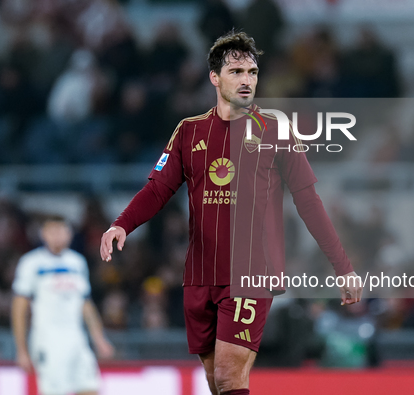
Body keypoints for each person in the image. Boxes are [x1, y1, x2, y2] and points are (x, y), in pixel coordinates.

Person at [100, 31, 363, 395]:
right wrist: (122, 224)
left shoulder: (275, 130)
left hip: (252, 272)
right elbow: (159, 188)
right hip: (200, 275)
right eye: (237, 71)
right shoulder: (189, 132)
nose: (246, 80)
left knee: (227, 376)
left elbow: (308, 201)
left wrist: (342, 266)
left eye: (252, 72)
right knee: (217, 383)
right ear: (215, 77)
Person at [12, 215, 114, 395]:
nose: (58, 236)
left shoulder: (76, 262)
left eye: (62, 231)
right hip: (48, 340)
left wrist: (99, 338)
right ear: (43, 234)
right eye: (53, 231)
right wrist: (21, 349)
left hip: (77, 339)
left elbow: (85, 304)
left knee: (90, 389)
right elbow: (19, 307)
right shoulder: (31, 263)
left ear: (69, 234)